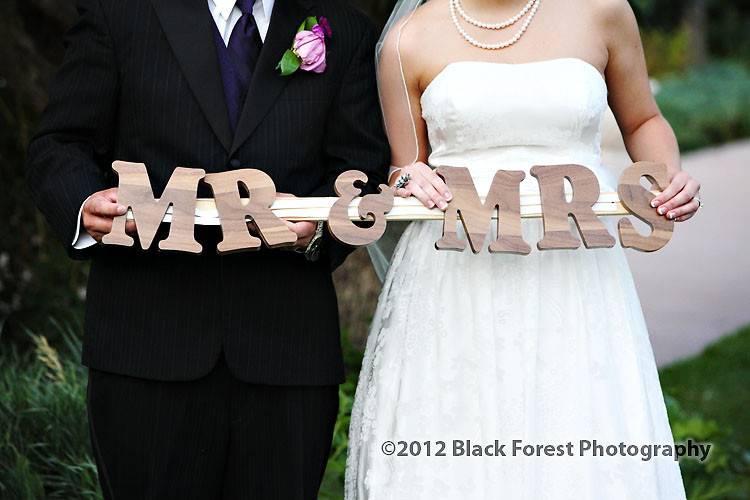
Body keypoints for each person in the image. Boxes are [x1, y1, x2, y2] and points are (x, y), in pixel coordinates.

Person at [26, 0, 388, 498]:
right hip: (146, 346)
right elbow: (59, 144)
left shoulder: (342, 29)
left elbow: (362, 169)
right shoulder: (119, 15)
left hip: (287, 352)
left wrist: (319, 226)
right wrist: (84, 201)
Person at [346, 0, 701, 498]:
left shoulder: (602, 11)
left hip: (575, 271)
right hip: (455, 278)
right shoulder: (409, 38)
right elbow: (406, 167)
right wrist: (407, 176)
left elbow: (643, 120)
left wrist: (664, 177)